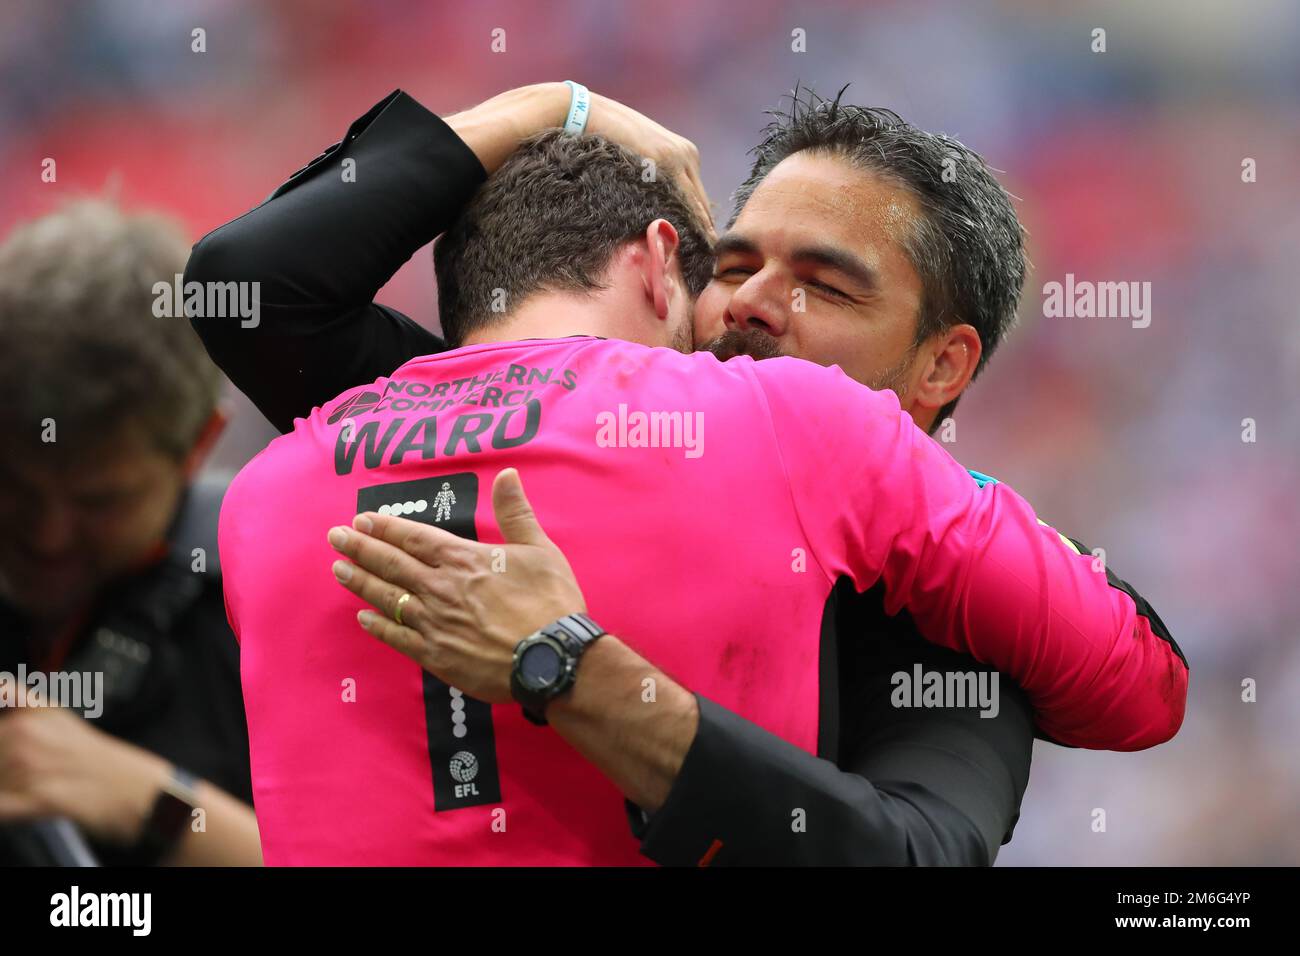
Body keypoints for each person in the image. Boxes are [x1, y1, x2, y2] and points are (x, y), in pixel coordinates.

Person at [216, 128, 1183, 866]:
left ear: (942, 365)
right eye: (729, 267)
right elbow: (246, 287)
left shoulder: (952, 638)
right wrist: (558, 107)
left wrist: (577, 672)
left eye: (826, 288)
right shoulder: (704, 423)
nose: (750, 303)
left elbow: (1128, 697)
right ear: (663, 265)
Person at [0, 200, 262, 866]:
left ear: (199, 444)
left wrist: (147, 801)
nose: (49, 536)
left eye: (100, 501)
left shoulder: (270, 602)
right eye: (14, 486)